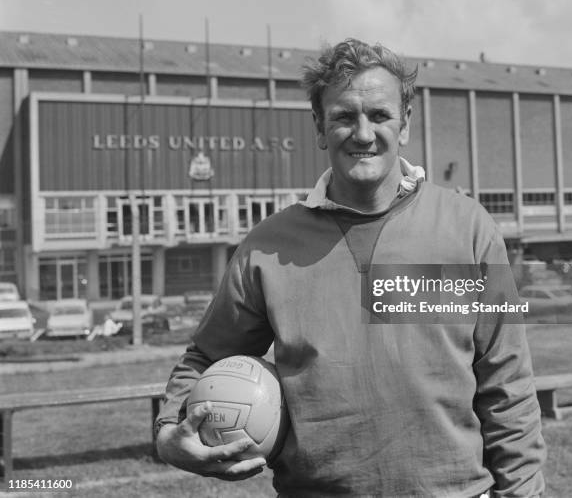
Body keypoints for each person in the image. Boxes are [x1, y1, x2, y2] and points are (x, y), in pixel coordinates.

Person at [155, 38, 546, 496]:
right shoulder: (268, 247)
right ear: (320, 128)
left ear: (404, 125)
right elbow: (206, 357)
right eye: (343, 116)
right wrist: (169, 435)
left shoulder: (467, 228)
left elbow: (508, 383)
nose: (363, 134)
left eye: (379, 115)